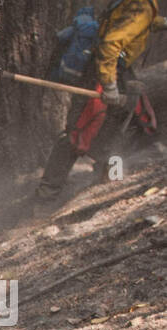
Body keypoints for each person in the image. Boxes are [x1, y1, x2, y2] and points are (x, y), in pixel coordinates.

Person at [36, 0, 161, 201]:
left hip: (116, 71)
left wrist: (158, 23)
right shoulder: (141, 4)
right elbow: (111, 44)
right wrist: (109, 84)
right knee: (78, 133)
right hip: (105, 72)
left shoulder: (142, 5)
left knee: (114, 129)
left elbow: (128, 24)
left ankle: (107, 182)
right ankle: (44, 199)